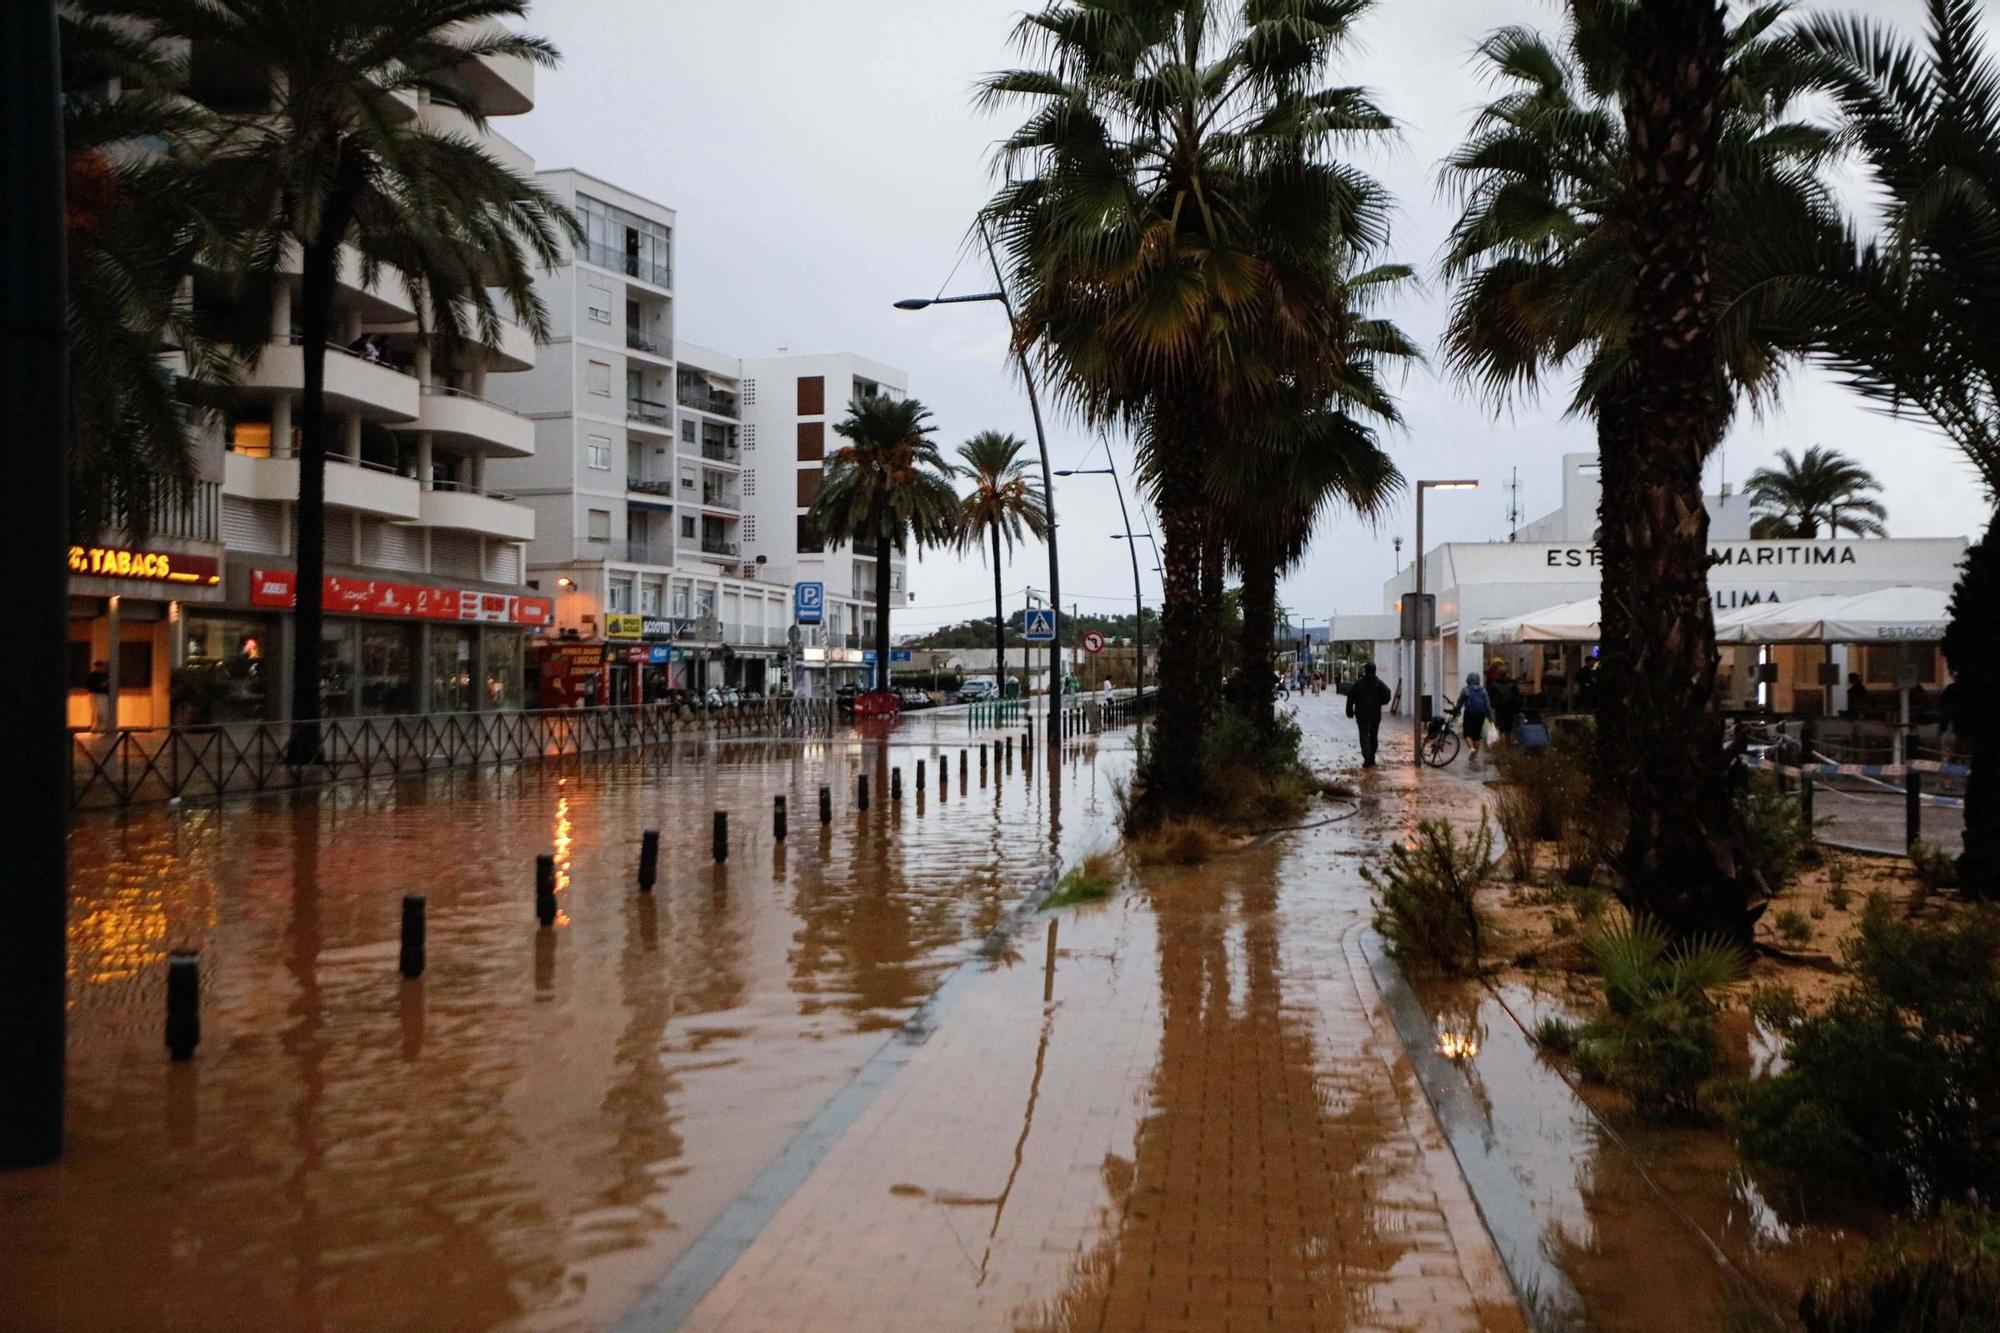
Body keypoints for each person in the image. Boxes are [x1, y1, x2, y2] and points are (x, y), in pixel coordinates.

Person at [1345, 661, 1393, 767]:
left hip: (1361, 714)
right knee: (1373, 735)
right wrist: (1380, 702)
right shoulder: (1379, 683)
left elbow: (1350, 697)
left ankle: (1368, 758)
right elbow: (1387, 695)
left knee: (1364, 736)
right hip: (1375, 714)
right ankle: (1371, 757)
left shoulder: (1359, 683)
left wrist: (1349, 710)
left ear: (1365, 671)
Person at [1459, 672, 1492, 765]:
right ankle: (1475, 756)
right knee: (1477, 736)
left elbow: (1460, 701)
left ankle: (1471, 749)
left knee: (1467, 733)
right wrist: (1489, 715)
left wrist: (1456, 710)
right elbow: (1488, 704)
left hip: (1469, 714)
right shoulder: (1483, 690)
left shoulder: (1465, 690)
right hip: (1481, 715)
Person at [1489, 661, 1522, 741]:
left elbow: (1490, 696)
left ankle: (1503, 744)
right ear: (1506, 673)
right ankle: (1509, 742)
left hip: (1499, 708)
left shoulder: (1494, 683)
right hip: (1510, 707)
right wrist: (1518, 708)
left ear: (1498, 673)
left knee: (1501, 727)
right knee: (1509, 726)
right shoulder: (1512, 683)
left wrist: (1493, 705)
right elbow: (1517, 697)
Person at [87, 659, 113, 732]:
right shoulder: (94, 675)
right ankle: (97, 726)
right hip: (96, 694)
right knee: (96, 710)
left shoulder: (104, 675)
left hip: (101, 694)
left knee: (101, 710)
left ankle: (101, 726)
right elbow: (89, 685)